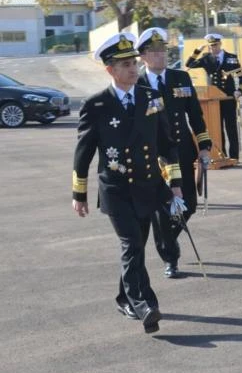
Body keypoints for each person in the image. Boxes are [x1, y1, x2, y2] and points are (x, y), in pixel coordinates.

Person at [72, 32, 183, 334]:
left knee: (137, 246)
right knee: (131, 243)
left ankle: (123, 295)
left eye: (134, 62)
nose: (133, 68)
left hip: (147, 186)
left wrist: (174, 183)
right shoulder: (96, 105)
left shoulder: (151, 98)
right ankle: (144, 304)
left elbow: (166, 143)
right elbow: (83, 151)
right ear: (110, 69)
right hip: (116, 189)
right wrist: (78, 193)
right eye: (124, 64)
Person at [136, 27, 212, 279]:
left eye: (163, 50)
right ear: (143, 56)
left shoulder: (181, 78)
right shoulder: (137, 82)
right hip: (153, 157)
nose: (161, 55)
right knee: (162, 208)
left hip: (182, 150)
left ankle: (166, 239)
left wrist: (204, 146)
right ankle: (171, 258)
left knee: (187, 204)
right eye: (155, 52)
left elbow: (195, 116)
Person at [185, 33, 242, 160]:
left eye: (215, 45)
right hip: (214, 99)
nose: (213, 48)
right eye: (211, 46)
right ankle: (222, 155)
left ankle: (234, 156)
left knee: (231, 128)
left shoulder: (231, 58)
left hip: (229, 97)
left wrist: (239, 91)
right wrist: (197, 51)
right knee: (218, 128)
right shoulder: (206, 58)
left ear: (220, 44)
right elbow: (189, 64)